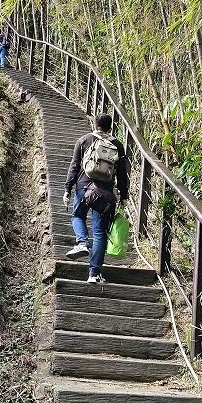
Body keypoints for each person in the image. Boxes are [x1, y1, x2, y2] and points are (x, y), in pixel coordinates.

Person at [62, 114, 128, 284]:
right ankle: (94, 274)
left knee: (78, 216)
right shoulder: (118, 145)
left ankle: (82, 242)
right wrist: (124, 195)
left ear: (94, 124)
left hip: (83, 188)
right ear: (110, 127)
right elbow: (122, 174)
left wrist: (67, 189)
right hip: (105, 194)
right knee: (99, 233)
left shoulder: (83, 140)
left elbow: (74, 166)